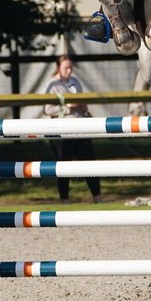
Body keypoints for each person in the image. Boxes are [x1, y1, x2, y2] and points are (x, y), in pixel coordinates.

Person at [43, 54, 104, 203]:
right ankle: (64, 198)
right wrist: (67, 107)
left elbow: (82, 102)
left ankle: (97, 196)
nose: (69, 71)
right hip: (62, 129)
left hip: (80, 127)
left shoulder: (75, 82)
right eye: (66, 68)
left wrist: (82, 106)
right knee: (64, 165)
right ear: (58, 68)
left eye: (71, 68)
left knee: (89, 163)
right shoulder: (52, 85)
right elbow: (48, 110)